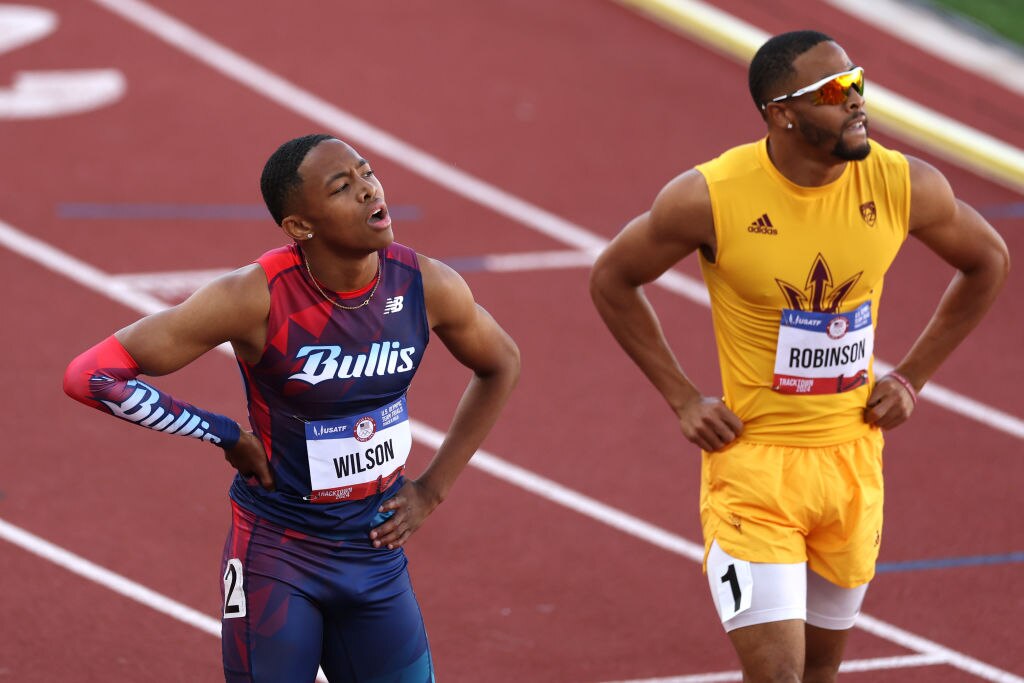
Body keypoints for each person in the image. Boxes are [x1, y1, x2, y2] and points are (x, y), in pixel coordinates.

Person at [589, 30, 1008, 683]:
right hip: (753, 471)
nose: (859, 101)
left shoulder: (902, 185)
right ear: (782, 111)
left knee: (818, 675)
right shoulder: (711, 196)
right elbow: (612, 277)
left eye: (859, 83)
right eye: (838, 91)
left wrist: (914, 376)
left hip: (853, 466)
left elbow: (988, 262)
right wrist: (681, 395)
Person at [64, 133, 520, 681]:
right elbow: (90, 376)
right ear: (300, 226)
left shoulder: (427, 286)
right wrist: (225, 434)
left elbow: (502, 363)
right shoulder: (254, 297)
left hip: (375, 553)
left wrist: (432, 489)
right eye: (342, 187)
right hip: (279, 557)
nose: (369, 191)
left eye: (367, 172)